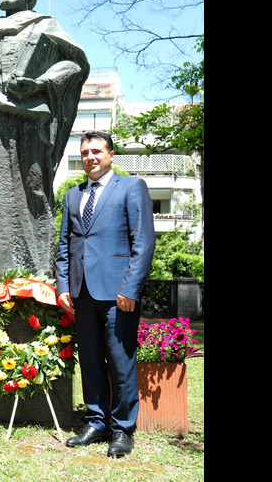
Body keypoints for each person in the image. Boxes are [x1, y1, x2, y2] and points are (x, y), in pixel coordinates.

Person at [0, 0, 89, 277]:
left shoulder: (45, 25)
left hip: (33, 117)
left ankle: (37, 274)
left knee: (34, 187)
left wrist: (40, 82)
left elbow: (74, 63)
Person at [54, 130, 156, 457]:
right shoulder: (73, 195)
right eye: (84, 153)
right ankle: (96, 422)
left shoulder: (131, 187)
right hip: (81, 294)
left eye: (97, 151)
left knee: (121, 362)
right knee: (91, 363)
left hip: (117, 294)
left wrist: (130, 287)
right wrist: (63, 287)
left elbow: (143, 243)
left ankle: (123, 429)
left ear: (111, 154)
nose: (90, 157)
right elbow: (64, 248)